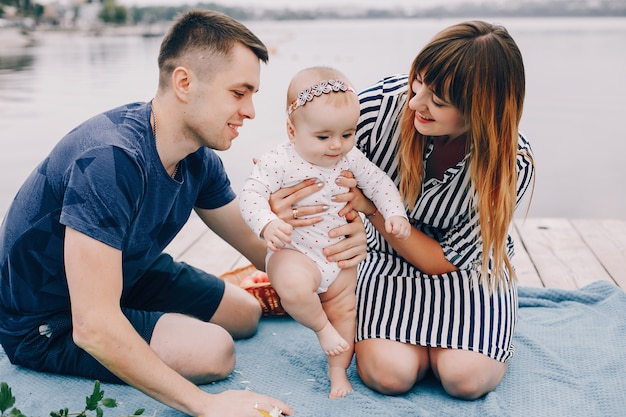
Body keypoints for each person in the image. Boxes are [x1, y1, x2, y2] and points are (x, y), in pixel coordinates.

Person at [0, 10, 367, 417]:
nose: (251, 111)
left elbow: (257, 247)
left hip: (127, 271)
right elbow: (93, 326)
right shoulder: (111, 160)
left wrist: (327, 252)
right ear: (184, 82)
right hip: (47, 319)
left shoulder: (197, 157)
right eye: (239, 92)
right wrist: (206, 406)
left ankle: (146, 324)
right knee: (213, 352)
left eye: (253, 95)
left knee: (245, 313)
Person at [332, 20, 535, 399]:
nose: (415, 102)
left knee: (466, 380)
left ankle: (447, 349)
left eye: (437, 101)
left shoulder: (512, 163)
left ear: (482, 110)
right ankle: (425, 350)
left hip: (467, 269)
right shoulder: (379, 108)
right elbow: (316, 150)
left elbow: (441, 261)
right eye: (418, 81)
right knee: (388, 375)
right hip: (388, 257)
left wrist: (371, 209)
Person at [239, 66, 410, 399]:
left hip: (337, 256)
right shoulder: (279, 160)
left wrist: (394, 213)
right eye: (324, 137)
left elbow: (379, 183)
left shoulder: (350, 158)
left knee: (346, 312)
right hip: (296, 252)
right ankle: (321, 328)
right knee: (293, 285)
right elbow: (251, 194)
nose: (337, 145)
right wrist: (267, 222)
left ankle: (337, 372)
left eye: (347, 134)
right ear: (292, 130)